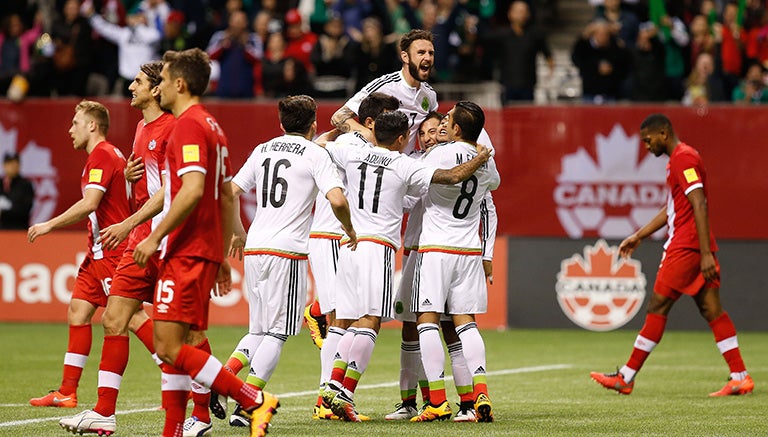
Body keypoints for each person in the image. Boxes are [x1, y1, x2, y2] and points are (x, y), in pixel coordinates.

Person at [131, 48, 278, 437]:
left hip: (184, 250)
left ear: (179, 83)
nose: (158, 86)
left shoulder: (189, 126)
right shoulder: (212, 126)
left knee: (167, 346)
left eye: (162, 79)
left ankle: (252, 398)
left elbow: (195, 188)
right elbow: (226, 193)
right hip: (201, 249)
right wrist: (223, 253)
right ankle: (176, 429)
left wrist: (156, 236)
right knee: (184, 342)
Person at [321, 110, 492, 422]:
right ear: (402, 139)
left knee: (351, 320)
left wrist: (348, 127)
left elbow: (326, 139)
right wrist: (481, 158)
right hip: (399, 247)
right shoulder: (406, 164)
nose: (429, 135)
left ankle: (334, 386)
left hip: (353, 243)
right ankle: (347, 392)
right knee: (376, 320)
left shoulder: (352, 151)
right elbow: (458, 178)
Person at [56, 62, 183, 436]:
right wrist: (130, 179)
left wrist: (127, 223)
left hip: (164, 237)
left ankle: (219, 388)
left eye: (138, 82)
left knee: (181, 334)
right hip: (138, 236)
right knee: (115, 318)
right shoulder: (142, 129)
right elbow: (150, 178)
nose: (130, 86)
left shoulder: (173, 127)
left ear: (157, 89)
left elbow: (172, 187)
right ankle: (104, 412)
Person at [590, 113, 754, 397]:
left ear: (663, 133)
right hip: (695, 245)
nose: (646, 145)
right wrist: (639, 235)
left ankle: (626, 376)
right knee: (711, 309)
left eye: (648, 139)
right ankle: (740, 376)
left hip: (687, 247)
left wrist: (703, 254)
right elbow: (673, 209)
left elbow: (699, 204)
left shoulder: (683, 158)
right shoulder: (679, 159)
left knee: (657, 306)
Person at [222, 94, 357, 426]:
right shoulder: (315, 153)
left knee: (258, 329)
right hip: (289, 250)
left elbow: (229, 191)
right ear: (314, 125)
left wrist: (238, 230)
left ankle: (221, 382)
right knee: (277, 334)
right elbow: (337, 199)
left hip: (255, 247)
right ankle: (247, 404)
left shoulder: (264, 148)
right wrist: (350, 228)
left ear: (281, 124)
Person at [27, 100, 131, 409]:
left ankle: (180, 380)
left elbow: (90, 203)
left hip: (112, 251)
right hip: (97, 252)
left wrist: (49, 224)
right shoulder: (111, 154)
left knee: (131, 318)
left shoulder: (101, 155)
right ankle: (67, 391)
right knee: (78, 311)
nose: (69, 129)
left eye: (75, 123)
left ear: (92, 126)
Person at [307, 92, 400, 422]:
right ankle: (328, 395)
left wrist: (343, 128)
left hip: (344, 238)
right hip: (338, 235)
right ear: (372, 122)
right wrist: (345, 129)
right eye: (388, 117)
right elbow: (315, 148)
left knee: (345, 319)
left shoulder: (368, 149)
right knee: (345, 318)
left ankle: (329, 393)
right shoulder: (355, 146)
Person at [411, 101, 500, 423]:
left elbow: (412, 183)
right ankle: (479, 392)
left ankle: (436, 400)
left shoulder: (438, 155)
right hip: (469, 251)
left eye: (448, 119)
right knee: (467, 323)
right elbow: (495, 184)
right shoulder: (486, 164)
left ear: (458, 129)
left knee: (427, 320)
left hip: (436, 248)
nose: (443, 124)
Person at [331, 29, 438, 155]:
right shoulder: (385, 85)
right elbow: (338, 117)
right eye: (421, 53)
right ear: (405, 57)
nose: (428, 57)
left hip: (405, 165)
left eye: (431, 53)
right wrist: (366, 134)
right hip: (377, 163)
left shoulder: (430, 95)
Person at [482, 1, 553, 103]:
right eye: (518, 11)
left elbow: (548, 55)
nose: (521, 14)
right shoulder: (501, 35)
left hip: (528, 86)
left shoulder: (535, 35)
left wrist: (550, 74)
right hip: (507, 86)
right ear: (510, 13)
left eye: (524, 11)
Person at [0, 152, 34, 229]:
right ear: (4, 165)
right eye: (9, 163)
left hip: (19, 229)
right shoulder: (1, 183)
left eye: (15, 163)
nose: (12, 166)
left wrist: (4, 211)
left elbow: (25, 210)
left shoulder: (25, 185)